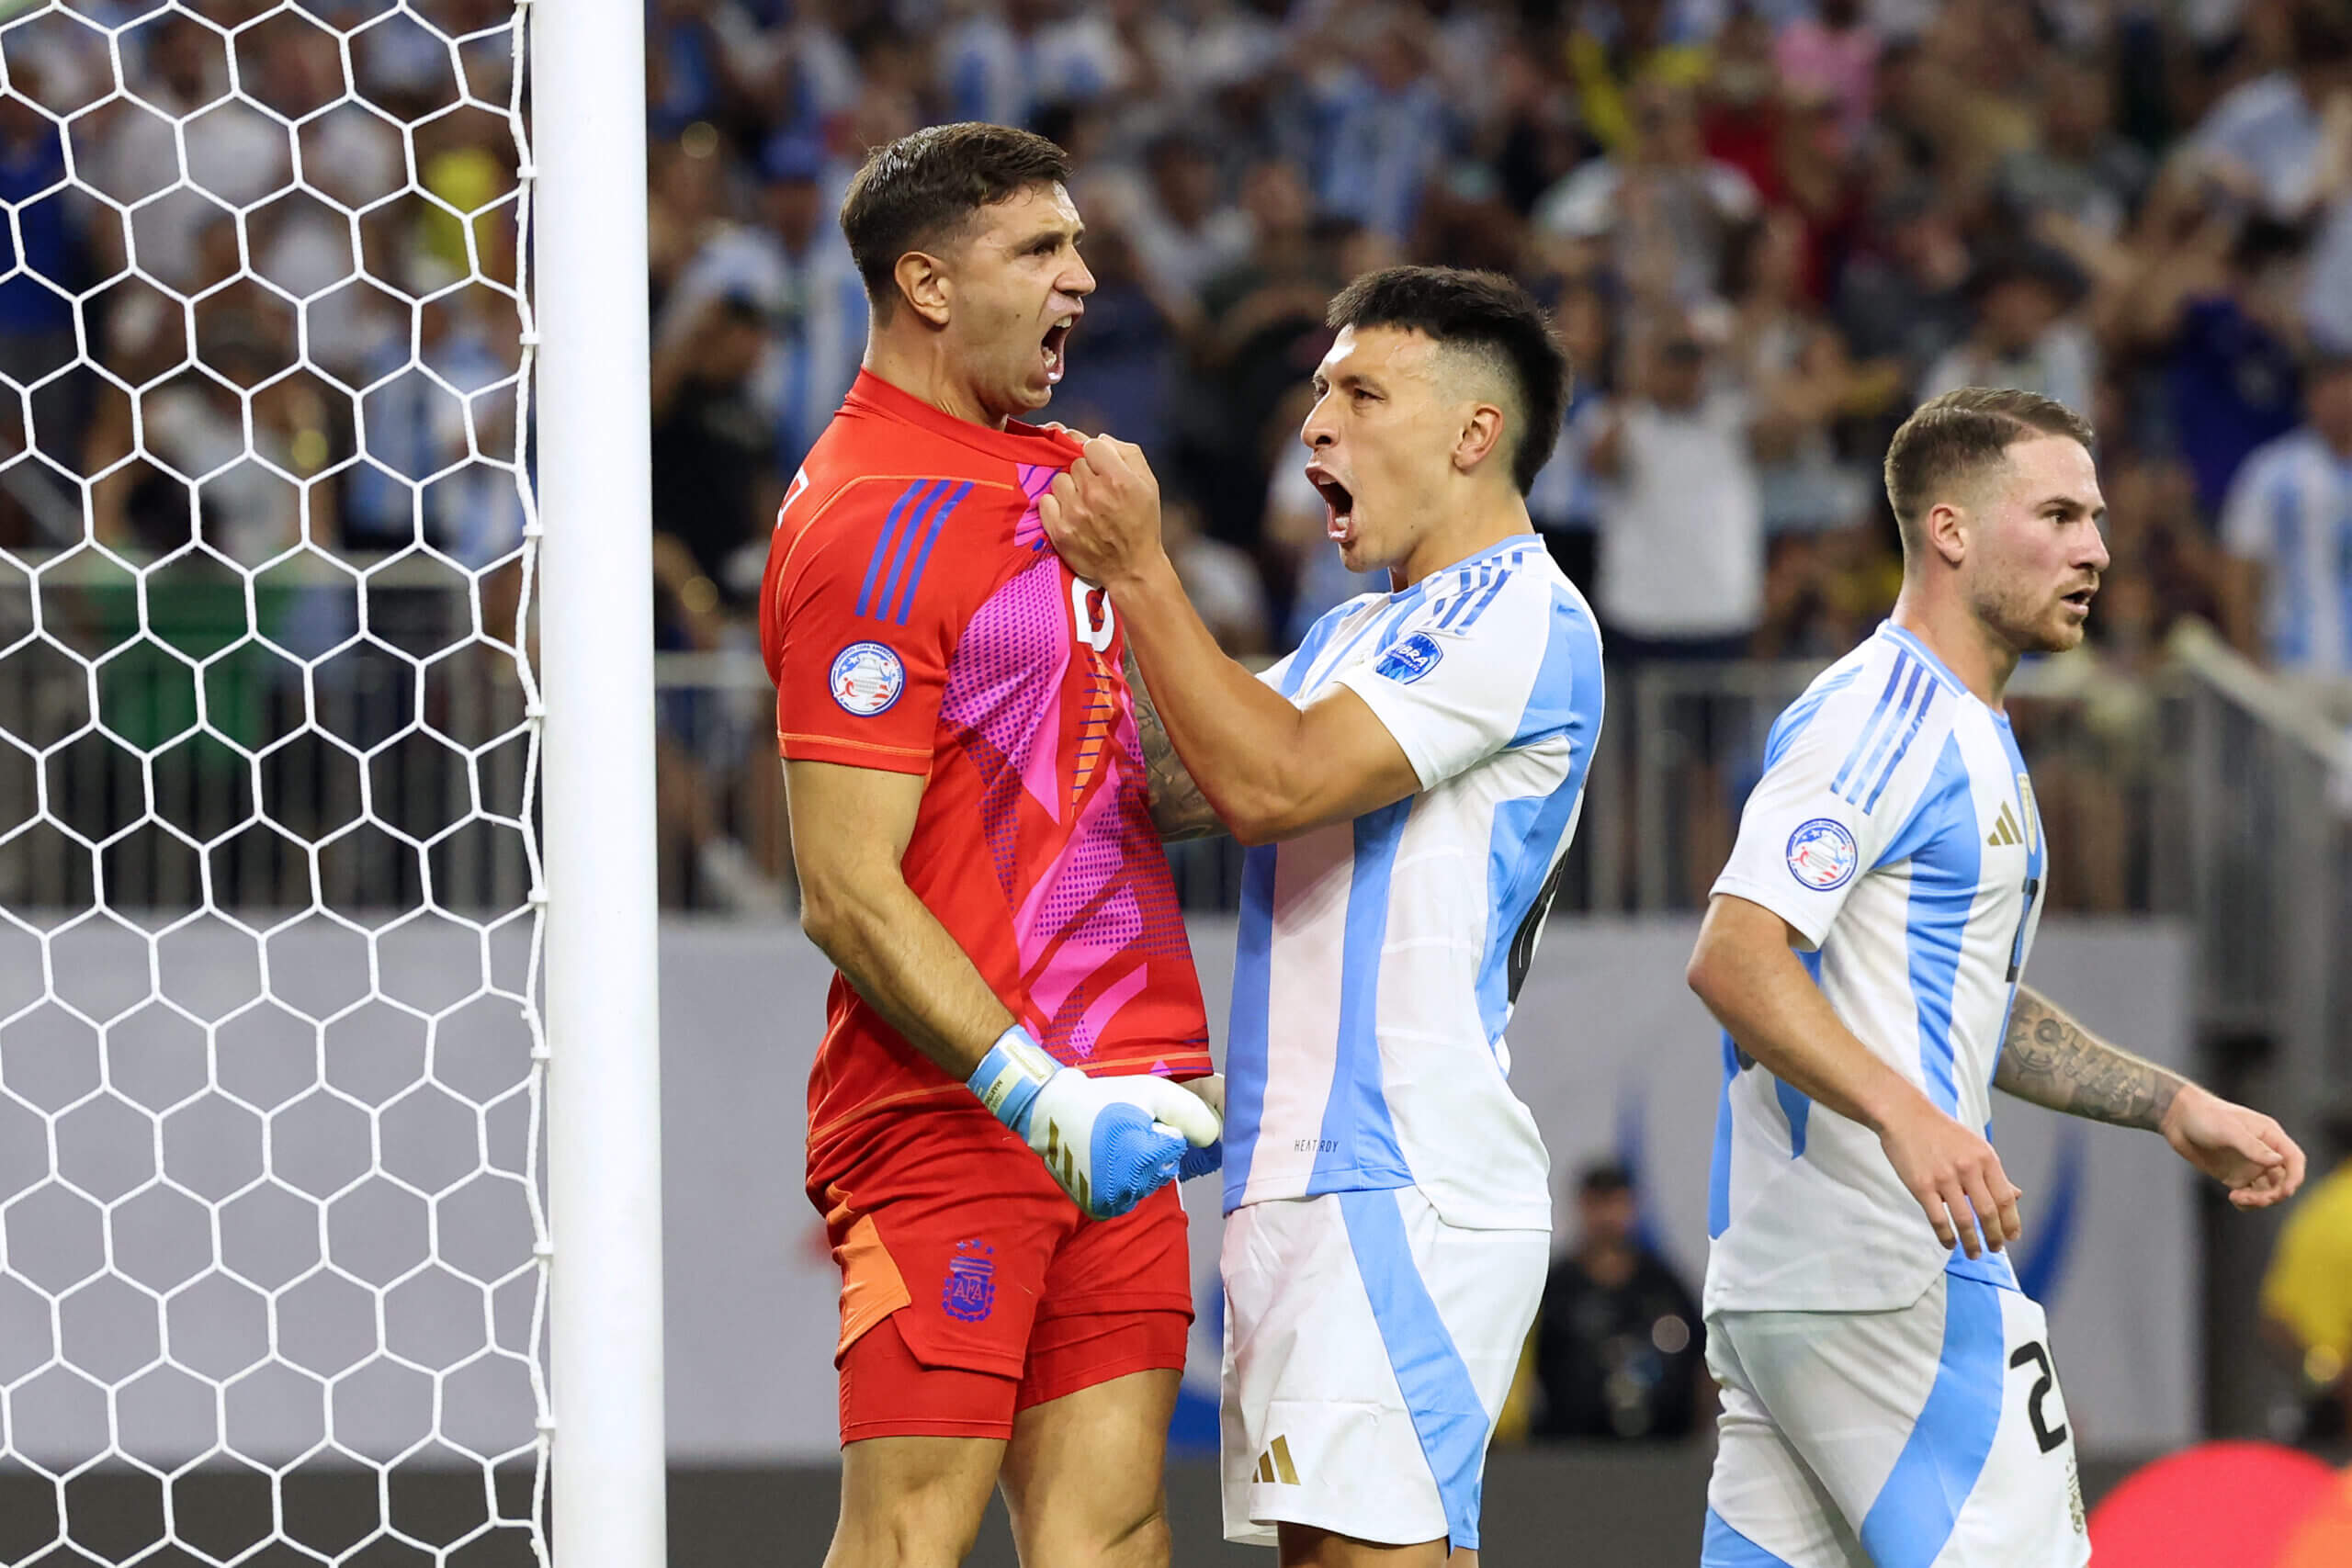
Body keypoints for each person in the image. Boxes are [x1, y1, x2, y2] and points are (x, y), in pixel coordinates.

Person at [1685, 385, 2309, 1568]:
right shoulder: (1885, 715)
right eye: (2059, 516)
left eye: (2097, 519)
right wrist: (1909, 1118)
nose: (2096, 550)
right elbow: (1735, 954)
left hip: (1800, 1273)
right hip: (1890, 1264)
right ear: (1950, 531)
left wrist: (2171, 1104)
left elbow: (1967, 1008)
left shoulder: (1970, 732)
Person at [1041, 265, 1603, 1567]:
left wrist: (1141, 569)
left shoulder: (1520, 610)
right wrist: (1041, 609)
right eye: (1315, 392)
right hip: (1301, 1177)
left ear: (1475, 433)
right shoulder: (1361, 634)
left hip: (1403, 1175)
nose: (1316, 426)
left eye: (1360, 391)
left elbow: (1267, 778)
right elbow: (1176, 775)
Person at [757, 122, 1224, 1568]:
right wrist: (1034, 1091)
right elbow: (843, 889)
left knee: (1115, 1526)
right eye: (1041, 247)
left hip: (1116, 1099)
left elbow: (1142, 774)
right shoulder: (868, 517)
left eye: (1078, 244)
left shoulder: (1073, 481)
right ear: (929, 283)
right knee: (911, 1537)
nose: (1085, 275)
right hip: (957, 1107)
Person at [1529, 1162, 1709, 1442]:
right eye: (1597, 1204)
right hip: (1568, 1455)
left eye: (1615, 1203)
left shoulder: (1664, 1284)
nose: (1606, 1217)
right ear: (1581, 1207)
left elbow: (1705, 1363)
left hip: (1663, 1455)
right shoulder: (1555, 1288)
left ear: (1632, 1207)